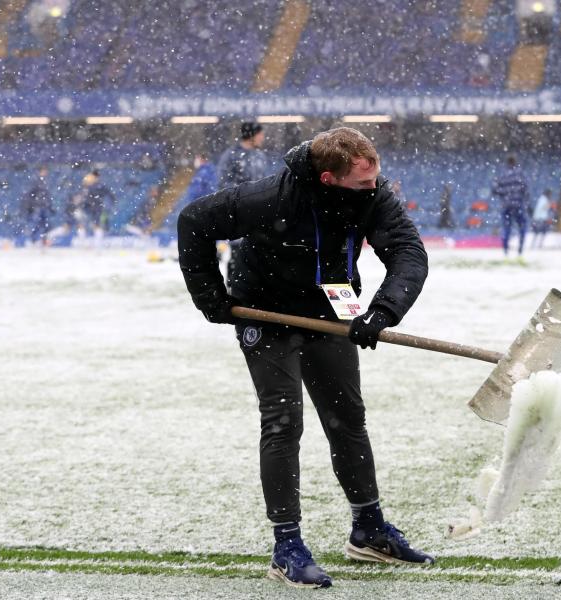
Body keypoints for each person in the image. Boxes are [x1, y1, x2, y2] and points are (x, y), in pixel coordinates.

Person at [178, 127, 432, 589]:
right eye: (362, 183)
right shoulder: (269, 199)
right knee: (283, 422)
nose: (374, 189)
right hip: (266, 314)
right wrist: (211, 298)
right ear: (329, 178)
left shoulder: (374, 194)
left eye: (374, 180)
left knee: (347, 418)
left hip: (330, 313)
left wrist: (382, 311)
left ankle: (369, 530)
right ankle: (287, 547)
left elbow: (409, 253)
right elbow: (194, 222)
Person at [217, 122, 270, 278]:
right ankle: (232, 287)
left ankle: (253, 287)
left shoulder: (260, 156)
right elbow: (223, 182)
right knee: (237, 252)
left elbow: (265, 182)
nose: (263, 137)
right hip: (239, 211)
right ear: (252, 135)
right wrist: (244, 195)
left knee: (257, 254)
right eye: (261, 134)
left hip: (258, 212)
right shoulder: (231, 155)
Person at [491, 155, 530, 256]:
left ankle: (505, 251)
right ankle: (520, 249)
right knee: (522, 227)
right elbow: (525, 189)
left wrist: (505, 194)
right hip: (518, 205)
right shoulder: (520, 174)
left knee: (506, 228)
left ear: (507, 163)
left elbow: (495, 190)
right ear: (515, 163)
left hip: (506, 206)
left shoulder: (502, 175)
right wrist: (522, 198)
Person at [23, 167, 55, 246]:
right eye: (44, 171)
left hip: (44, 207)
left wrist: (50, 206)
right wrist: (30, 206)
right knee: (36, 224)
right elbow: (30, 194)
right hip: (37, 207)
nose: (46, 173)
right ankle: (32, 240)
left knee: (45, 224)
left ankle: (43, 240)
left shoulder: (46, 182)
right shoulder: (36, 181)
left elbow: (47, 196)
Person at [81, 170, 116, 239]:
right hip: (91, 207)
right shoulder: (90, 186)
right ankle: (91, 242)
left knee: (97, 225)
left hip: (97, 208)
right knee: (90, 224)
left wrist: (108, 205)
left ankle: (98, 244)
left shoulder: (99, 186)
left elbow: (109, 195)